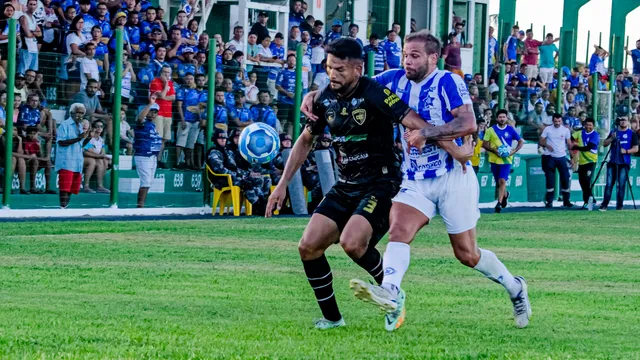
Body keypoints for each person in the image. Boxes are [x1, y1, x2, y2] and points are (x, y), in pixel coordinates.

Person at [311, 31, 530, 331]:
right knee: (399, 229)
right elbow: (351, 82)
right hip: (415, 179)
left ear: (432, 57)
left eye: (414, 55)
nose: (407, 61)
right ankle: (391, 292)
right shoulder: (392, 79)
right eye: (404, 54)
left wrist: (426, 133)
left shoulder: (448, 82)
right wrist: (315, 94)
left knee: (467, 254)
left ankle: (515, 287)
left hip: (452, 177)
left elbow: (467, 123)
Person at [273, 37, 470, 330]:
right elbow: (305, 140)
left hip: (382, 181)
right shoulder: (324, 98)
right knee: (308, 247)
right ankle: (333, 319)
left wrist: (454, 150)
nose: (333, 74)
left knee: (352, 244)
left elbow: (415, 121)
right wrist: (281, 184)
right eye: (329, 68)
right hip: (346, 183)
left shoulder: (377, 93)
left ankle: (392, 294)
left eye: (339, 69)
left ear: (358, 68)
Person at [482, 109, 524, 213]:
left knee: (502, 181)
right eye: (500, 117)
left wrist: (514, 151)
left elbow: (520, 141)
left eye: (503, 117)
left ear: (506, 118)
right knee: (498, 182)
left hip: (507, 159)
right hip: (494, 159)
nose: (502, 119)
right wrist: (494, 150)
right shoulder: (490, 130)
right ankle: (505, 195)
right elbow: (484, 143)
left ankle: (499, 203)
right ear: (497, 118)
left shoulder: (510, 130)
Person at [599, 115, 639, 211]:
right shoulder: (614, 132)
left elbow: (636, 148)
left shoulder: (632, 134)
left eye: (624, 120)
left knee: (621, 185)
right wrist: (611, 139)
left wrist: (626, 151)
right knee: (609, 184)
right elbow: (604, 144)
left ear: (628, 122)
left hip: (624, 163)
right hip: (612, 162)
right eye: (621, 120)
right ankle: (604, 205)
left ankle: (619, 206)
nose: (622, 122)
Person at [55, 103, 91, 209]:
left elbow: (81, 145)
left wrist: (88, 137)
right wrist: (79, 138)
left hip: (77, 161)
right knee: (64, 187)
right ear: (71, 113)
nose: (79, 115)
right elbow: (61, 142)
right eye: (77, 112)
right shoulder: (64, 125)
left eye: (82, 113)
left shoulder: (81, 126)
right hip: (66, 161)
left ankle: (65, 207)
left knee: (71, 188)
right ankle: (62, 207)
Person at [539, 113, 574, 208]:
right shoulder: (548, 129)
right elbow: (541, 140)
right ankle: (549, 201)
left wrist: (572, 158)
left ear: (561, 121)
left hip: (561, 157)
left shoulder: (566, 130)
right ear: (552, 121)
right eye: (555, 121)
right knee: (550, 180)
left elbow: (569, 144)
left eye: (559, 121)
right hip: (549, 157)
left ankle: (566, 201)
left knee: (565, 178)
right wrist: (547, 145)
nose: (557, 123)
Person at [134, 97, 163, 208]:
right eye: (152, 111)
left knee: (148, 182)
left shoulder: (152, 125)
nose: (154, 113)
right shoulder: (142, 124)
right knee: (145, 181)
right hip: (143, 156)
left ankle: (142, 205)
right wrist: (149, 105)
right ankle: (140, 206)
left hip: (152, 157)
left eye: (156, 112)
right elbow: (139, 119)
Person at [148, 65, 175, 168]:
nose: (167, 75)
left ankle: (158, 160)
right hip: (158, 113)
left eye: (169, 73)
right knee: (157, 138)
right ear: (161, 72)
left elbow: (173, 97)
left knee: (164, 139)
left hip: (168, 114)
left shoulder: (171, 84)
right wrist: (166, 84)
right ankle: (153, 159)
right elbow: (162, 95)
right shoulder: (155, 81)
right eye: (165, 72)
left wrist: (165, 96)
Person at [571, 117, 600, 208]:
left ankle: (591, 200)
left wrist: (576, 148)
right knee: (582, 181)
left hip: (591, 161)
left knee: (587, 181)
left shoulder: (595, 135)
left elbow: (588, 147)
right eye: (586, 125)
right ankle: (587, 200)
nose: (588, 127)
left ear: (593, 126)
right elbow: (571, 138)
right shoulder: (580, 133)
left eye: (590, 125)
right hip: (581, 162)